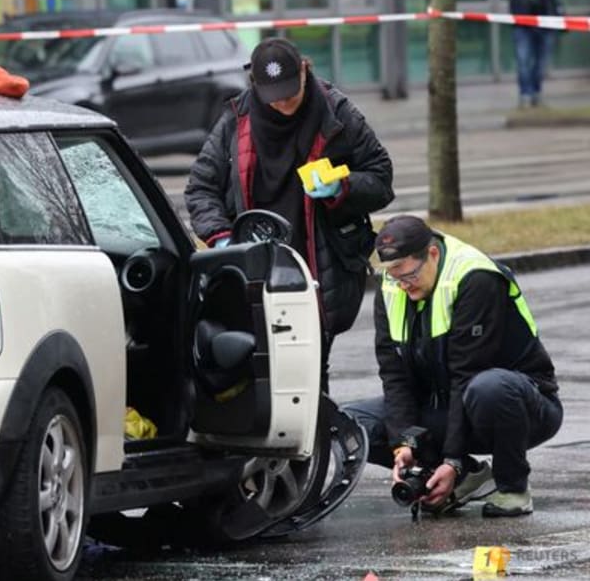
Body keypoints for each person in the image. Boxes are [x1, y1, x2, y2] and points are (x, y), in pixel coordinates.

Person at [184, 37, 393, 389]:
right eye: (273, 97)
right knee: (261, 373)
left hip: (319, 268)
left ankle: (317, 440)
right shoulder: (237, 119)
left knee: (310, 372)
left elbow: (381, 177)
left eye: (289, 93)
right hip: (257, 267)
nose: (283, 104)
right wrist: (223, 239)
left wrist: (341, 188)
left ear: (304, 70)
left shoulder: (336, 113)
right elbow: (200, 188)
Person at [344, 216, 561, 517]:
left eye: (409, 275)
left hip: (520, 406)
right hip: (447, 405)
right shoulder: (392, 286)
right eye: (394, 276)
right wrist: (404, 445)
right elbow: (395, 377)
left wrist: (452, 459)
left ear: (432, 254)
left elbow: (466, 374)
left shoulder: (476, 278)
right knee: (351, 423)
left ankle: (512, 488)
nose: (402, 285)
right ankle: (458, 479)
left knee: (489, 388)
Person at [499, 0, 564, 108]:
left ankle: (536, 92)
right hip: (522, 23)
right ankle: (525, 94)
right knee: (523, 60)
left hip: (545, 22)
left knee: (541, 61)